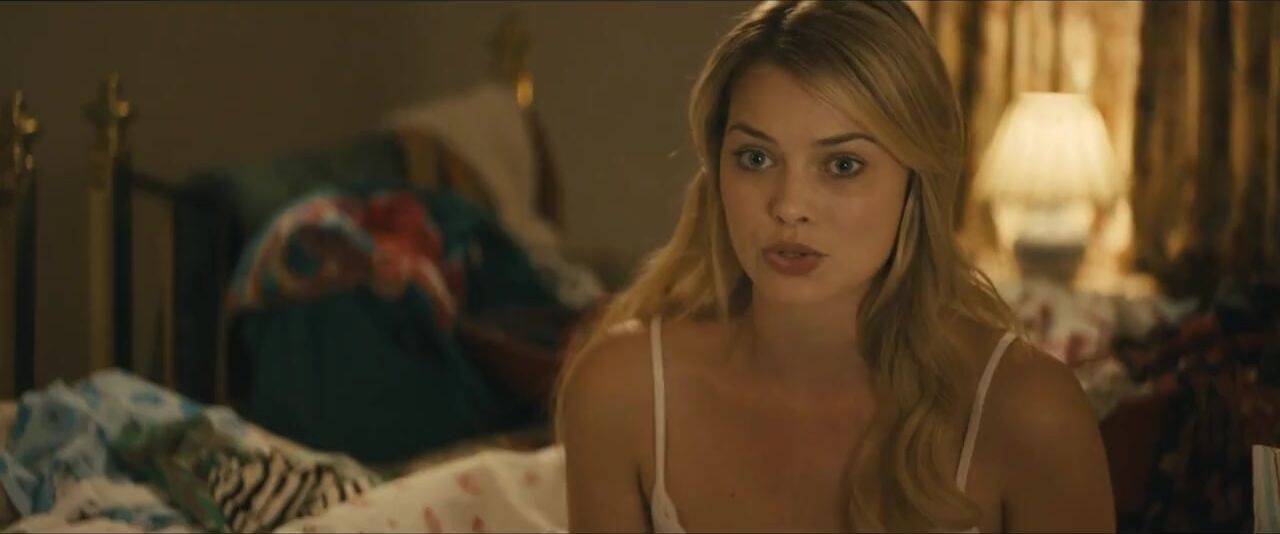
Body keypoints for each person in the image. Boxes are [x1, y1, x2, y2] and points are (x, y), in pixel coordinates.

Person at [556, 1, 1114, 532]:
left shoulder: (1030, 414)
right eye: (755, 157)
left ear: (915, 181)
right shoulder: (623, 394)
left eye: (842, 165)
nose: (788, 206)